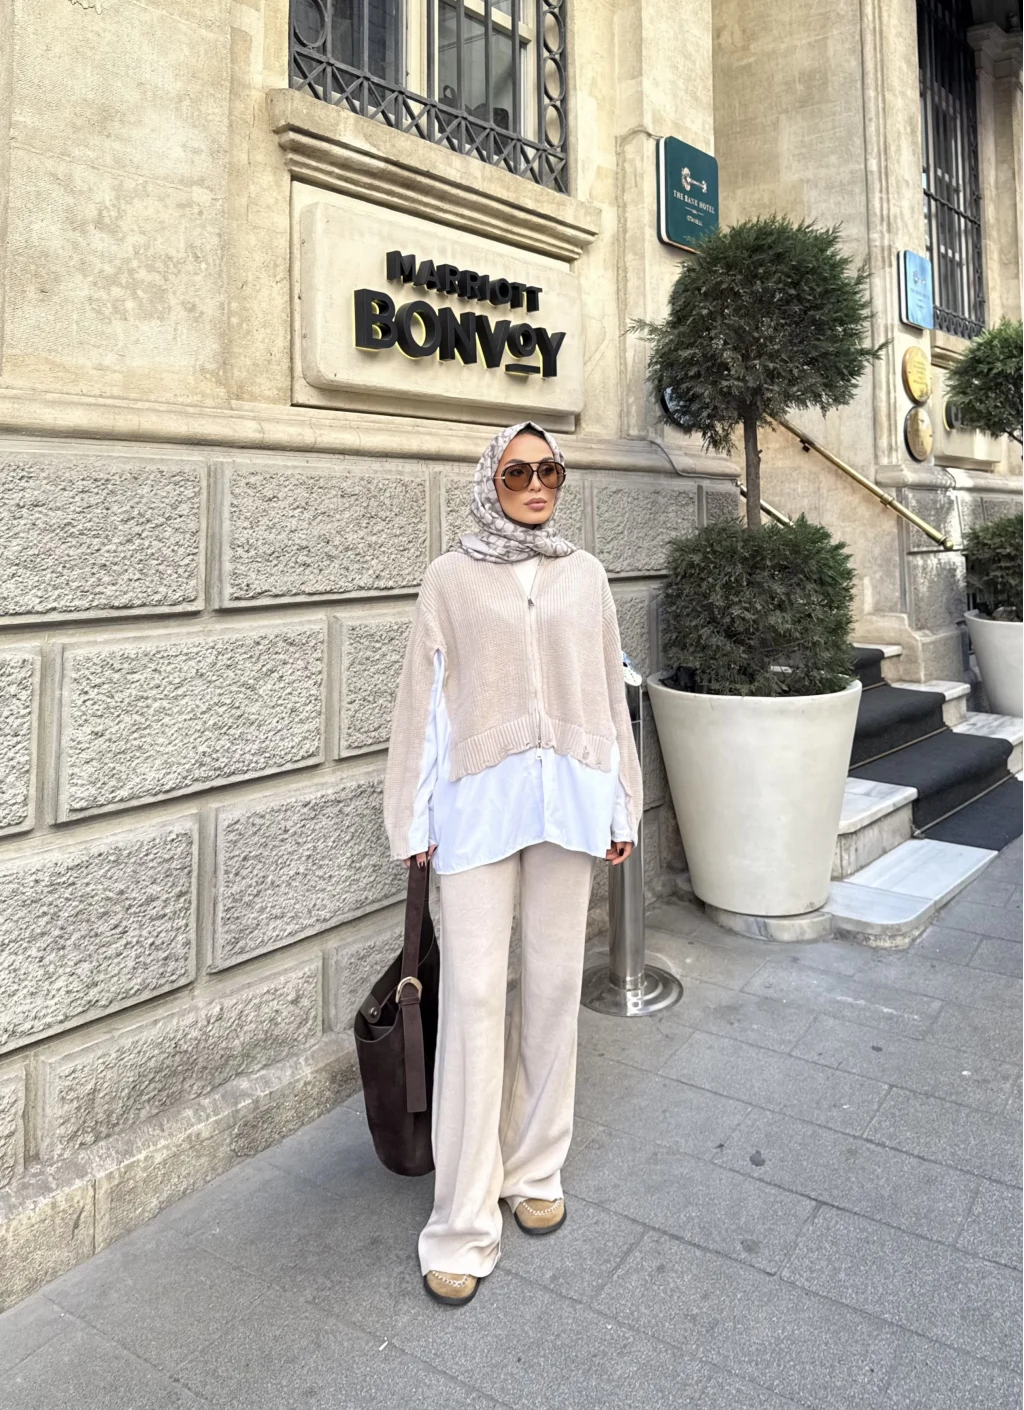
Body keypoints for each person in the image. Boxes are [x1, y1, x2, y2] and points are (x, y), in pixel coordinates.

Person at [383, 420, 643, 1307]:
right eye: (518, 472)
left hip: (569, 798)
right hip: (476, 812)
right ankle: (460, 1220)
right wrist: (411, 818)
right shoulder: (449, 578)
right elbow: (423, 705)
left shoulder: (586, 574)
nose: (536, 485)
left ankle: (534, 1168)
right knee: (473, 999)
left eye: (550, 472)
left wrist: (622, 800)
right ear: (489, 480)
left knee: (554, 986)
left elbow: (608, 690)